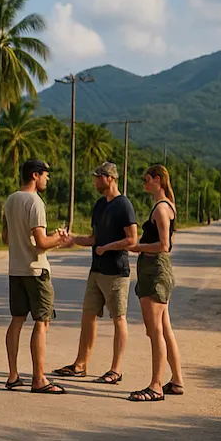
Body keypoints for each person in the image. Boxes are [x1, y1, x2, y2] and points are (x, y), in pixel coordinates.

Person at [54, 162, 138, 385]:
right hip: (96, 270)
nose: (95, 181)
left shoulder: (124, 205)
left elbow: (132, 239)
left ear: (110, 178)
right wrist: (72, 239)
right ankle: (80, 364)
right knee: (88, 314)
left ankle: (116, 370)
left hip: (116, 272)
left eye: (98, 177)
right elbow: (93, 239)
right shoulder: (100, 205)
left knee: (118, 318)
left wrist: (108, 247)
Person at [1, 159, 72, 393]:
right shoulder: (35, 202)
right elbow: (41, 242)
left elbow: (6, 238)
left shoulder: (10, 200)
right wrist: (59, 239)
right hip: (36, 270)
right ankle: (39, 378)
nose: (47, 179)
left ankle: (13, 375)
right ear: (35, 175)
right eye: (45, 175)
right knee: (42, 322)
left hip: (16, 269)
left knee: (17, 320)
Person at [127, 164, 184, 402]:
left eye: (147, 179)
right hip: (155, 270)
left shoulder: (161, 209)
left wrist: (137, 247)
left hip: (155, 271)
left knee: (155, 331)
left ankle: (156, 386)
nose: (144, 183)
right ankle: (176, 381)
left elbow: (164, 245)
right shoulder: (166, 205)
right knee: (164, 328)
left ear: (157, 180)